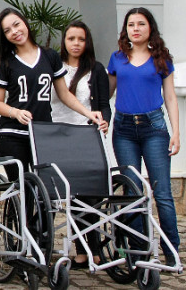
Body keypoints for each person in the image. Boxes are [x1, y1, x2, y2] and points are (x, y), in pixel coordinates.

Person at [0, 8, 105, 182]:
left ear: (25, 23)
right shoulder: (5, 62)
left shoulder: (50, 56)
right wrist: (16, 112)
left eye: (16, 24)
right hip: (13, 134)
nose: (14, 31)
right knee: (23, 187)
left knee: (47, 187)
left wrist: (89, 114)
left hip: (42, 133)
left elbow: (64, 94)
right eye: (7, 30)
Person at [108, 7, 180, 266]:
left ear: (150, 28)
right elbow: (107, 93)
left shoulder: (162, 59)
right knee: (132, 191)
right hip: (124, 129)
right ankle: (138, 250)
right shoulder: (117, 58)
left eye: (140, 24)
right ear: (125, 30)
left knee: (162, 193)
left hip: (154, 128)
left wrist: (176, 132)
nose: (135, 29)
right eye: (131, 24)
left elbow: (170, 97)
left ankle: (171, 251)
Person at [50, 20, 111, 268]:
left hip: (86, 134)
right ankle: (79, 249)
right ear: (64, 41)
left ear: (88, 43)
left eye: (81, 39)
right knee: (67, 193)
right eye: (71, 38)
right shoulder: (54, 67)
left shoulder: (96, 69)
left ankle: (92, 250)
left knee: (88, 195)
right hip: (57, 134)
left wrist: (104, 121)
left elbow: (104, 104)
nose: (76, 43)